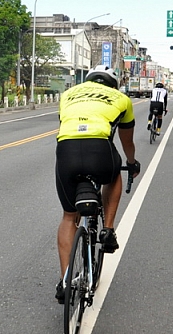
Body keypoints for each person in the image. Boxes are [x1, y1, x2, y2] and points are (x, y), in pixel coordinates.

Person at [54, 65, 140, 303]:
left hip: (66, 152)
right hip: (100, 151)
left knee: (69, 217)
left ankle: (66, 281)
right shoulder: (122, 99)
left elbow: (66, 126)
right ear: (113, 84)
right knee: (114, 173)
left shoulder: (68, 95)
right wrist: (132, 163)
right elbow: (127, 142)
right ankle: (108, 229)